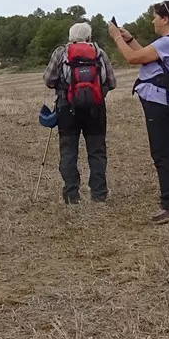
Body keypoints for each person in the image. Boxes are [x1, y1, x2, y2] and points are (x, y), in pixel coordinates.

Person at [107, 2, 169, 223]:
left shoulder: (168, 42)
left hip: (159, 102)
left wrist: (116, 37)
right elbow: (145, 55)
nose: (152, 20)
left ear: (165, 19)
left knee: (161, 154)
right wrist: (129, 39)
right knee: (168, 153)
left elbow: (132, 58)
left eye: (155, 16)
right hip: (166, 100)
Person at [44, 22, 118, 203]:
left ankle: (71, 195)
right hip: (96, 110)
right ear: (89, 37)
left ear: (70, 37)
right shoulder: (100, 53)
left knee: (69, 152)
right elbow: (112, 82)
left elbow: (48, 79)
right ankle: (99, 194)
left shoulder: (61, 53)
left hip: (67, 109)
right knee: (97, 152)